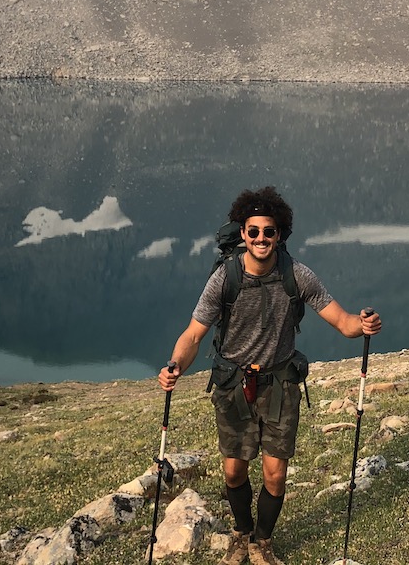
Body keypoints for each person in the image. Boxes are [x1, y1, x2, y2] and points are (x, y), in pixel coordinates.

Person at [158, 186, 382, 565]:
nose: (261, 238)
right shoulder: (224, 279)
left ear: (280, 234)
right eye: (254, 231)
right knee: (233, 471)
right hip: (233, 385)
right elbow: (194, 334)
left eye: (269, 231)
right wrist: (175, 366)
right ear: (243, 234)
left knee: (275, 475)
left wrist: (364, 325)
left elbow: (343, 323)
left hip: (280, 383)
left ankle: (262, 542)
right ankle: (240, 534)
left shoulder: (297, 275)